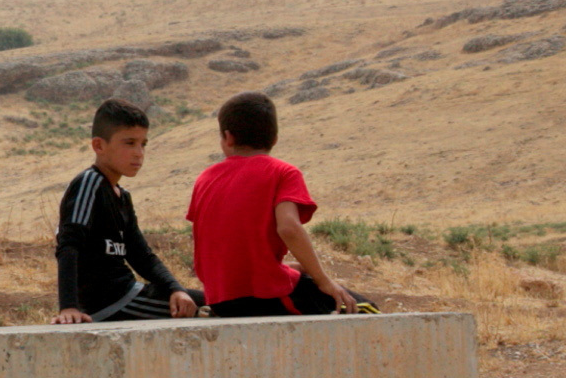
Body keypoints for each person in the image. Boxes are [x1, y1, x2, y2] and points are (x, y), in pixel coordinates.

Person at [184, 91, 357, 317]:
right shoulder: (283, 172)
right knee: (364, 310)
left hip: (220, 299)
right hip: (266, 296)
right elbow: (288, 227)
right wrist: (324, 281)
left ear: (228, 138)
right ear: (274, 138)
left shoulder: (204, 179)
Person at [53, 98, 200, 324]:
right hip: (112, 301)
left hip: (130, 293)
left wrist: (175, 289)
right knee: (216, 307)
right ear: (99, 146)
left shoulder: (122, 196)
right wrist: (69, 307)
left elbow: (141, 255)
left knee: (205, 301)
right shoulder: (89, 183)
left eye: (143, 144)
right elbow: (69, 244)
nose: (139, 153)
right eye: (129, 143)